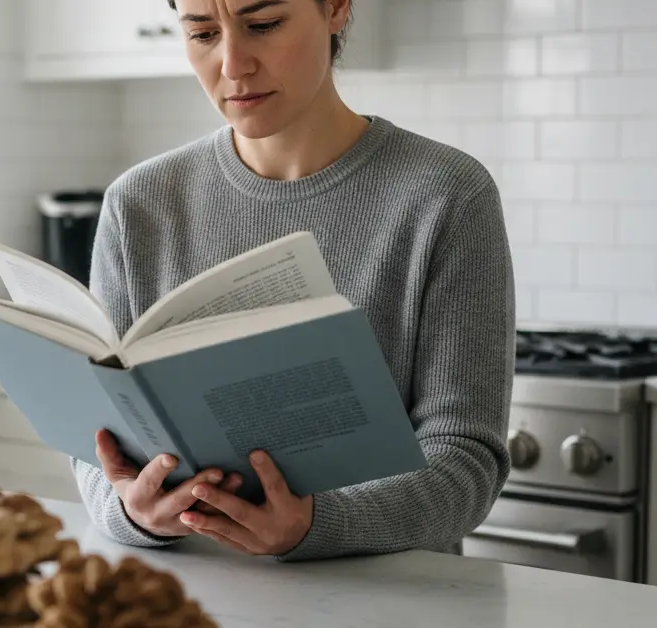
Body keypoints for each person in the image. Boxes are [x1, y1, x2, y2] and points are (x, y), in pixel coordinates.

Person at [69, 0, 516, 561]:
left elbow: (466, 461)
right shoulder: (139, 203)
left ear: (334, 8)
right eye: (203, 33)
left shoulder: (446, 195)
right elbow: (99, 445)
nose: (233, 64)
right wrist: (131, 514)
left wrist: (317, 525)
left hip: (391, 600)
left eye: (263, 25)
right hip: (186, 596)